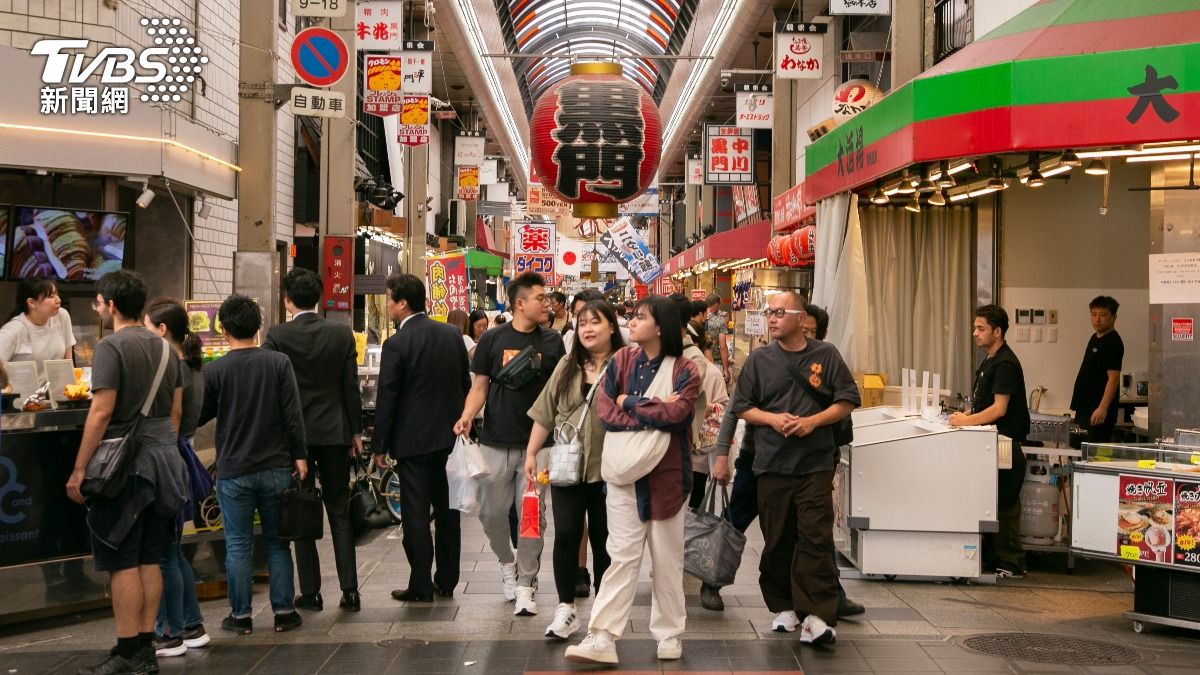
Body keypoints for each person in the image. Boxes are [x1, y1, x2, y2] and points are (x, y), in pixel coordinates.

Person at [565, 296, 701, 665]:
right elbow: (606, 411)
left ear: (661, 326)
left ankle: (669, 632)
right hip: (623, 477)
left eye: (640, 317)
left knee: (666, 559)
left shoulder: (686, 369)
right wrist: (646, 408)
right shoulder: (622, 361)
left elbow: (679, 413)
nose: (632, 321)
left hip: (668, 479)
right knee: (621, 557)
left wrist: (630, 402)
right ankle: (603, 635)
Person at [66, 270, 189, 675]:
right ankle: (145, 648)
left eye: (98, 302)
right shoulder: (169, 350)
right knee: (150, 556)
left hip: (125, 468)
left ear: (112, 305)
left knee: (122, 559)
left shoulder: (111, 347)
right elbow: (174, 415)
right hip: (164, 462)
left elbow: (101, 412)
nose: (97, 308)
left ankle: (126, 649)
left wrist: (81, 468)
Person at [730, 291, 860, 646]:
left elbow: (847, 399)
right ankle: (783, 605)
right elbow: (742, 407)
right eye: (768, 312)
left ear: (801, 319)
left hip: (814, 464)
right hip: (770, 464)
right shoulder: (759, 360)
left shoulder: (826, 355)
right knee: (778, 538)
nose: (771, 318)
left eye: (779, 312)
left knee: (815, 537)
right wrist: (772, 420)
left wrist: (813, 422)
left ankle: (816, 615)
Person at [454, 272, 566, 616]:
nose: (547, 304)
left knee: (532, 517)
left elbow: (559, 392)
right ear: (520, 304)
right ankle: (507, 560)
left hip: (539, 446)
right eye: (540, 298)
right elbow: (480, 387)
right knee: (490, 513)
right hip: (494, 441)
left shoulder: (553, 343)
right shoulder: (492, 340)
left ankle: (525, 584)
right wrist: (468, 415)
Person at [198, 294, 309, 635]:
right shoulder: (278, 364)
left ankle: (241, 616)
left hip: (233, 470)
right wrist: (300, 456)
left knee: (237, 544)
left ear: (224, 329)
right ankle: (284, 612)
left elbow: (201, 415)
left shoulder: (215, 370)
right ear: (258, 326)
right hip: (276, 467)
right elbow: (293, 414)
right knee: (277, 542)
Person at [263, 268, 364, 613]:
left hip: (297, 439)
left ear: (287, 300)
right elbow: (350, 388)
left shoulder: (277, 336)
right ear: (319, 298)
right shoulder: (340, 335)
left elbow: (274, 393)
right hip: (335, 432)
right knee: (339, 511)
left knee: (302, 510)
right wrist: (355, 432)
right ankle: (350, 591)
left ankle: (311, 592)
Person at [524, 300, 624, 639]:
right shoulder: (567, 365)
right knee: (566, 535)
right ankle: (566, 609)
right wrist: (531, 452)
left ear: (612, 326)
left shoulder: (624, 367)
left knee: (604, 541)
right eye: (583, 324)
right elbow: (545, 412)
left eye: (596, 322)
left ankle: (603, 614)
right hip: (567, 468)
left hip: (611, 470)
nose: (588, 329)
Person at [374, 274, 471, 602]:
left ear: (403, 303)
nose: (387, 305)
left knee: (415, 513)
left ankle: (420, 583)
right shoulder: (451, 335)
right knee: (448, 510)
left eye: (389, 299)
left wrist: (379, 446)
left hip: (412, 442)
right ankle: (447, 580)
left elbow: (387, 397)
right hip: (450, 439)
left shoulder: (397, 344)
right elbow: (464, 385)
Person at [143, 299, 212, 658]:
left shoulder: (173, 368)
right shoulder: (192, 366)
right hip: (180, 455)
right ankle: (190, 624)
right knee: (173, 551)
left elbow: (172, 415)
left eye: (148, 327)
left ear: (163, 330)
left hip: (170, 458)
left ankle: (172, 631)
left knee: (166, 553)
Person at [949, 305, 1031, 579]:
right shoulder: (989, 360)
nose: (975, 333)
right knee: (990, 500)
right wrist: (967, 414)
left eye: (981, 328)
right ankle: (994, 559)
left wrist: (966, 422)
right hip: (989, 443)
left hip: (1005, 444)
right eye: (975, 327)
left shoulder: (1006, 363)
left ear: (998, 331)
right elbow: (984, 403)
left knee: (1005, 503)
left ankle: (1011, 563)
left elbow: (999, 409)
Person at [0, 278, 76, 385]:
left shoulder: (62, 316)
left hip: (56, 397)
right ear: (31, 303)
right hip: (21, 399)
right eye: (51, 296)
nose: (58, 300)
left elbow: (68, 361)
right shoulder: (13, 330)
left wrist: (71, 390)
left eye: (57, 294)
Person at [1070, 296, 1123, 443]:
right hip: (1084, 408)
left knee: (1093, 454)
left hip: (1097, 411)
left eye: (1103, 315)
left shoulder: (1113, 342)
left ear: (1114, 317)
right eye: (1094, 314)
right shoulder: (1095, 337)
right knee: (1077, 450)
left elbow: (1114, 378)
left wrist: (1102, 408)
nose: (1097, 319)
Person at [704, 293, 731, 381]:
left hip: (700, 362)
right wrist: (726, 370)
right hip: (715, 363)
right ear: (716, 304)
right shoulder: (720, 322)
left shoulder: (698, 319)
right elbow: (723, 347)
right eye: (719, 305)